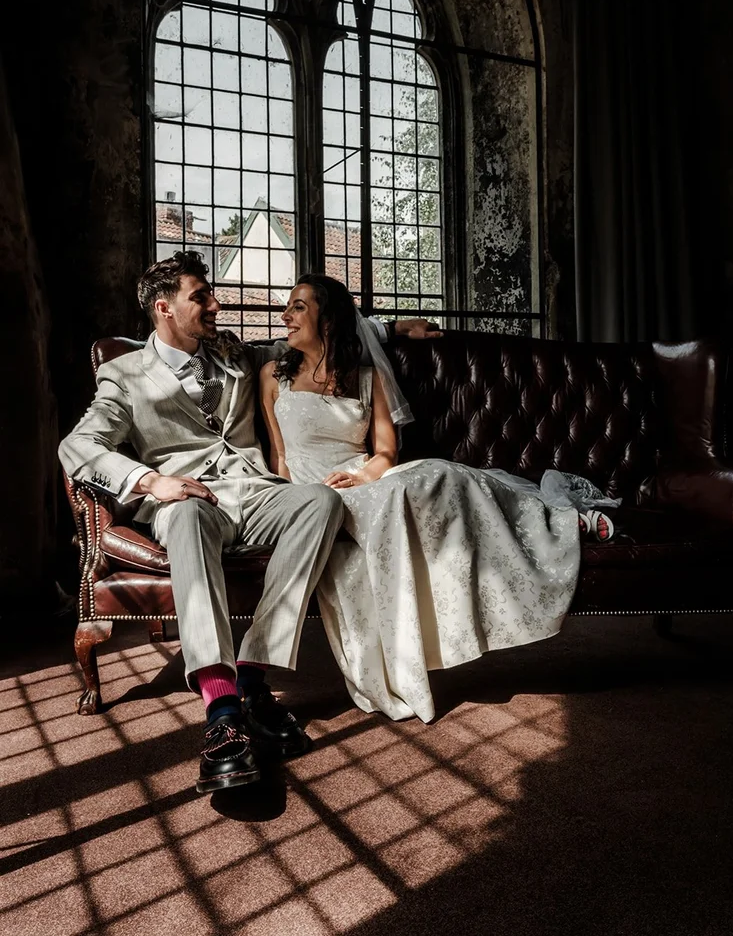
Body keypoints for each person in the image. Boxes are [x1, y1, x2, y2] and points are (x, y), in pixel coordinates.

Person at [59, 251, 440, 793]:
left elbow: (314, 334)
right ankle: (222, 711)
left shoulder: (233, 351)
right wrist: (152, 483)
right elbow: (78, 446)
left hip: (255, 492)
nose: (215, 304)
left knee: (319, 503)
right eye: (201, 297)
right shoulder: (123, 376)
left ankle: (254, 676)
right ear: (164, 309)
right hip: (187, 500)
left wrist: (394, 326)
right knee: (187, 516)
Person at [259, 274, 619, 723]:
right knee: (404, 497)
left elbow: (386, 451)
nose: (284, 317)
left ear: (328, 319)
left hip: (368, 479)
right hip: (313, 497)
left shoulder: (365, 376)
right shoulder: (273, 375)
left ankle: (561, 519)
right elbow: (279, 458)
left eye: (297, 307)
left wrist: (361, 474)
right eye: (287, 308)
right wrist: (293, 505)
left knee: (441, 474)